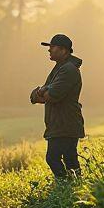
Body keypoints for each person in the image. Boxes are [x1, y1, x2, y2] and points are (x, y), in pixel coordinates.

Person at [30, 33, 84, 178]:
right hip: (60, 124)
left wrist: (42, 91)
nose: (49, 50)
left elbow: (51, 96)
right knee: (70, 159)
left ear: (64, 50)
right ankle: (73, 186)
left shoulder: (68, 70)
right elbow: (38, 97)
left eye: (52, 47)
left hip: (65, 124)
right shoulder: (59, 68)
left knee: (53, 158)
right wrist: (42, 92)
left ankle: (65, 184)